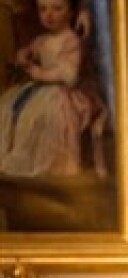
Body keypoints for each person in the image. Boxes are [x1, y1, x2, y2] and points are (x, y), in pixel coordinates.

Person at [0, 0, 101, 177]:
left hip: (63, 93)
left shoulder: (71, 40)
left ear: (71, 12)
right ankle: (14, 152)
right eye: (43, 9)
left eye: (57, 9)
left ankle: (48, 160)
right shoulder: (41, 40)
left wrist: (41, 73)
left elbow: (69, 75)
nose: (49, 15)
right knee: (9, 106)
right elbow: (28, 52)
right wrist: (23, 56)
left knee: (47, 114)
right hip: (39, 90)